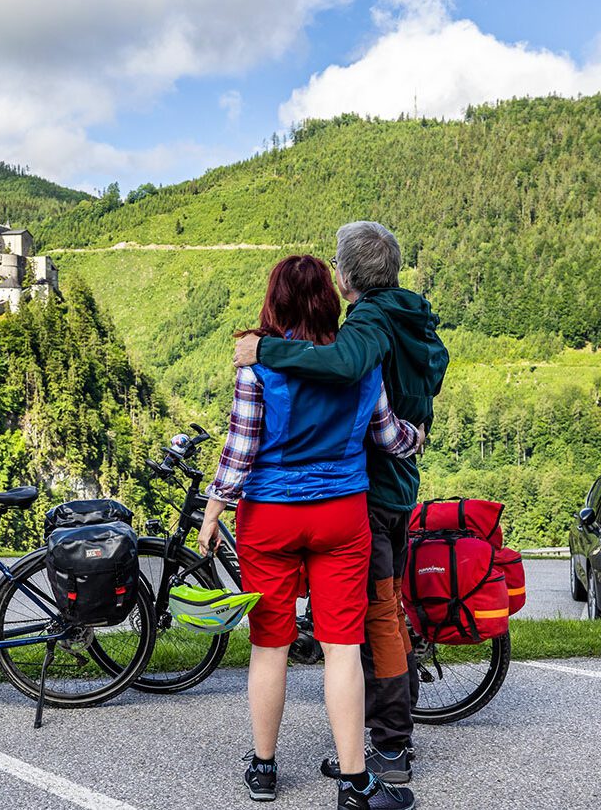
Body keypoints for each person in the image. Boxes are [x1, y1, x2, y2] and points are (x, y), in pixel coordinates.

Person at [199, 254, 422, 810]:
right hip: (342, 517)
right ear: (329, 297)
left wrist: (214, 509)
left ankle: (264, 769)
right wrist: (419, 437)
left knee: (269, 645)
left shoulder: (256, 366)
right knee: (342, 648)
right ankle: (354, 783)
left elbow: (241, 449)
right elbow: (390, 437)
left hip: (269, 519)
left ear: (274, 301)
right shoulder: (358, 364)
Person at [233, 222, 448, 786]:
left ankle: (389, 748)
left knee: (370, 621)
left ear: (349, 276)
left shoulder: (368, 328)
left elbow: (342, 369)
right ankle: (372, 750)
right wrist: (417, 435)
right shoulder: (409, 313)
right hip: (381, 491)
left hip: (362, 497)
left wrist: (265, 349)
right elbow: (392, 422)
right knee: (366, 624)